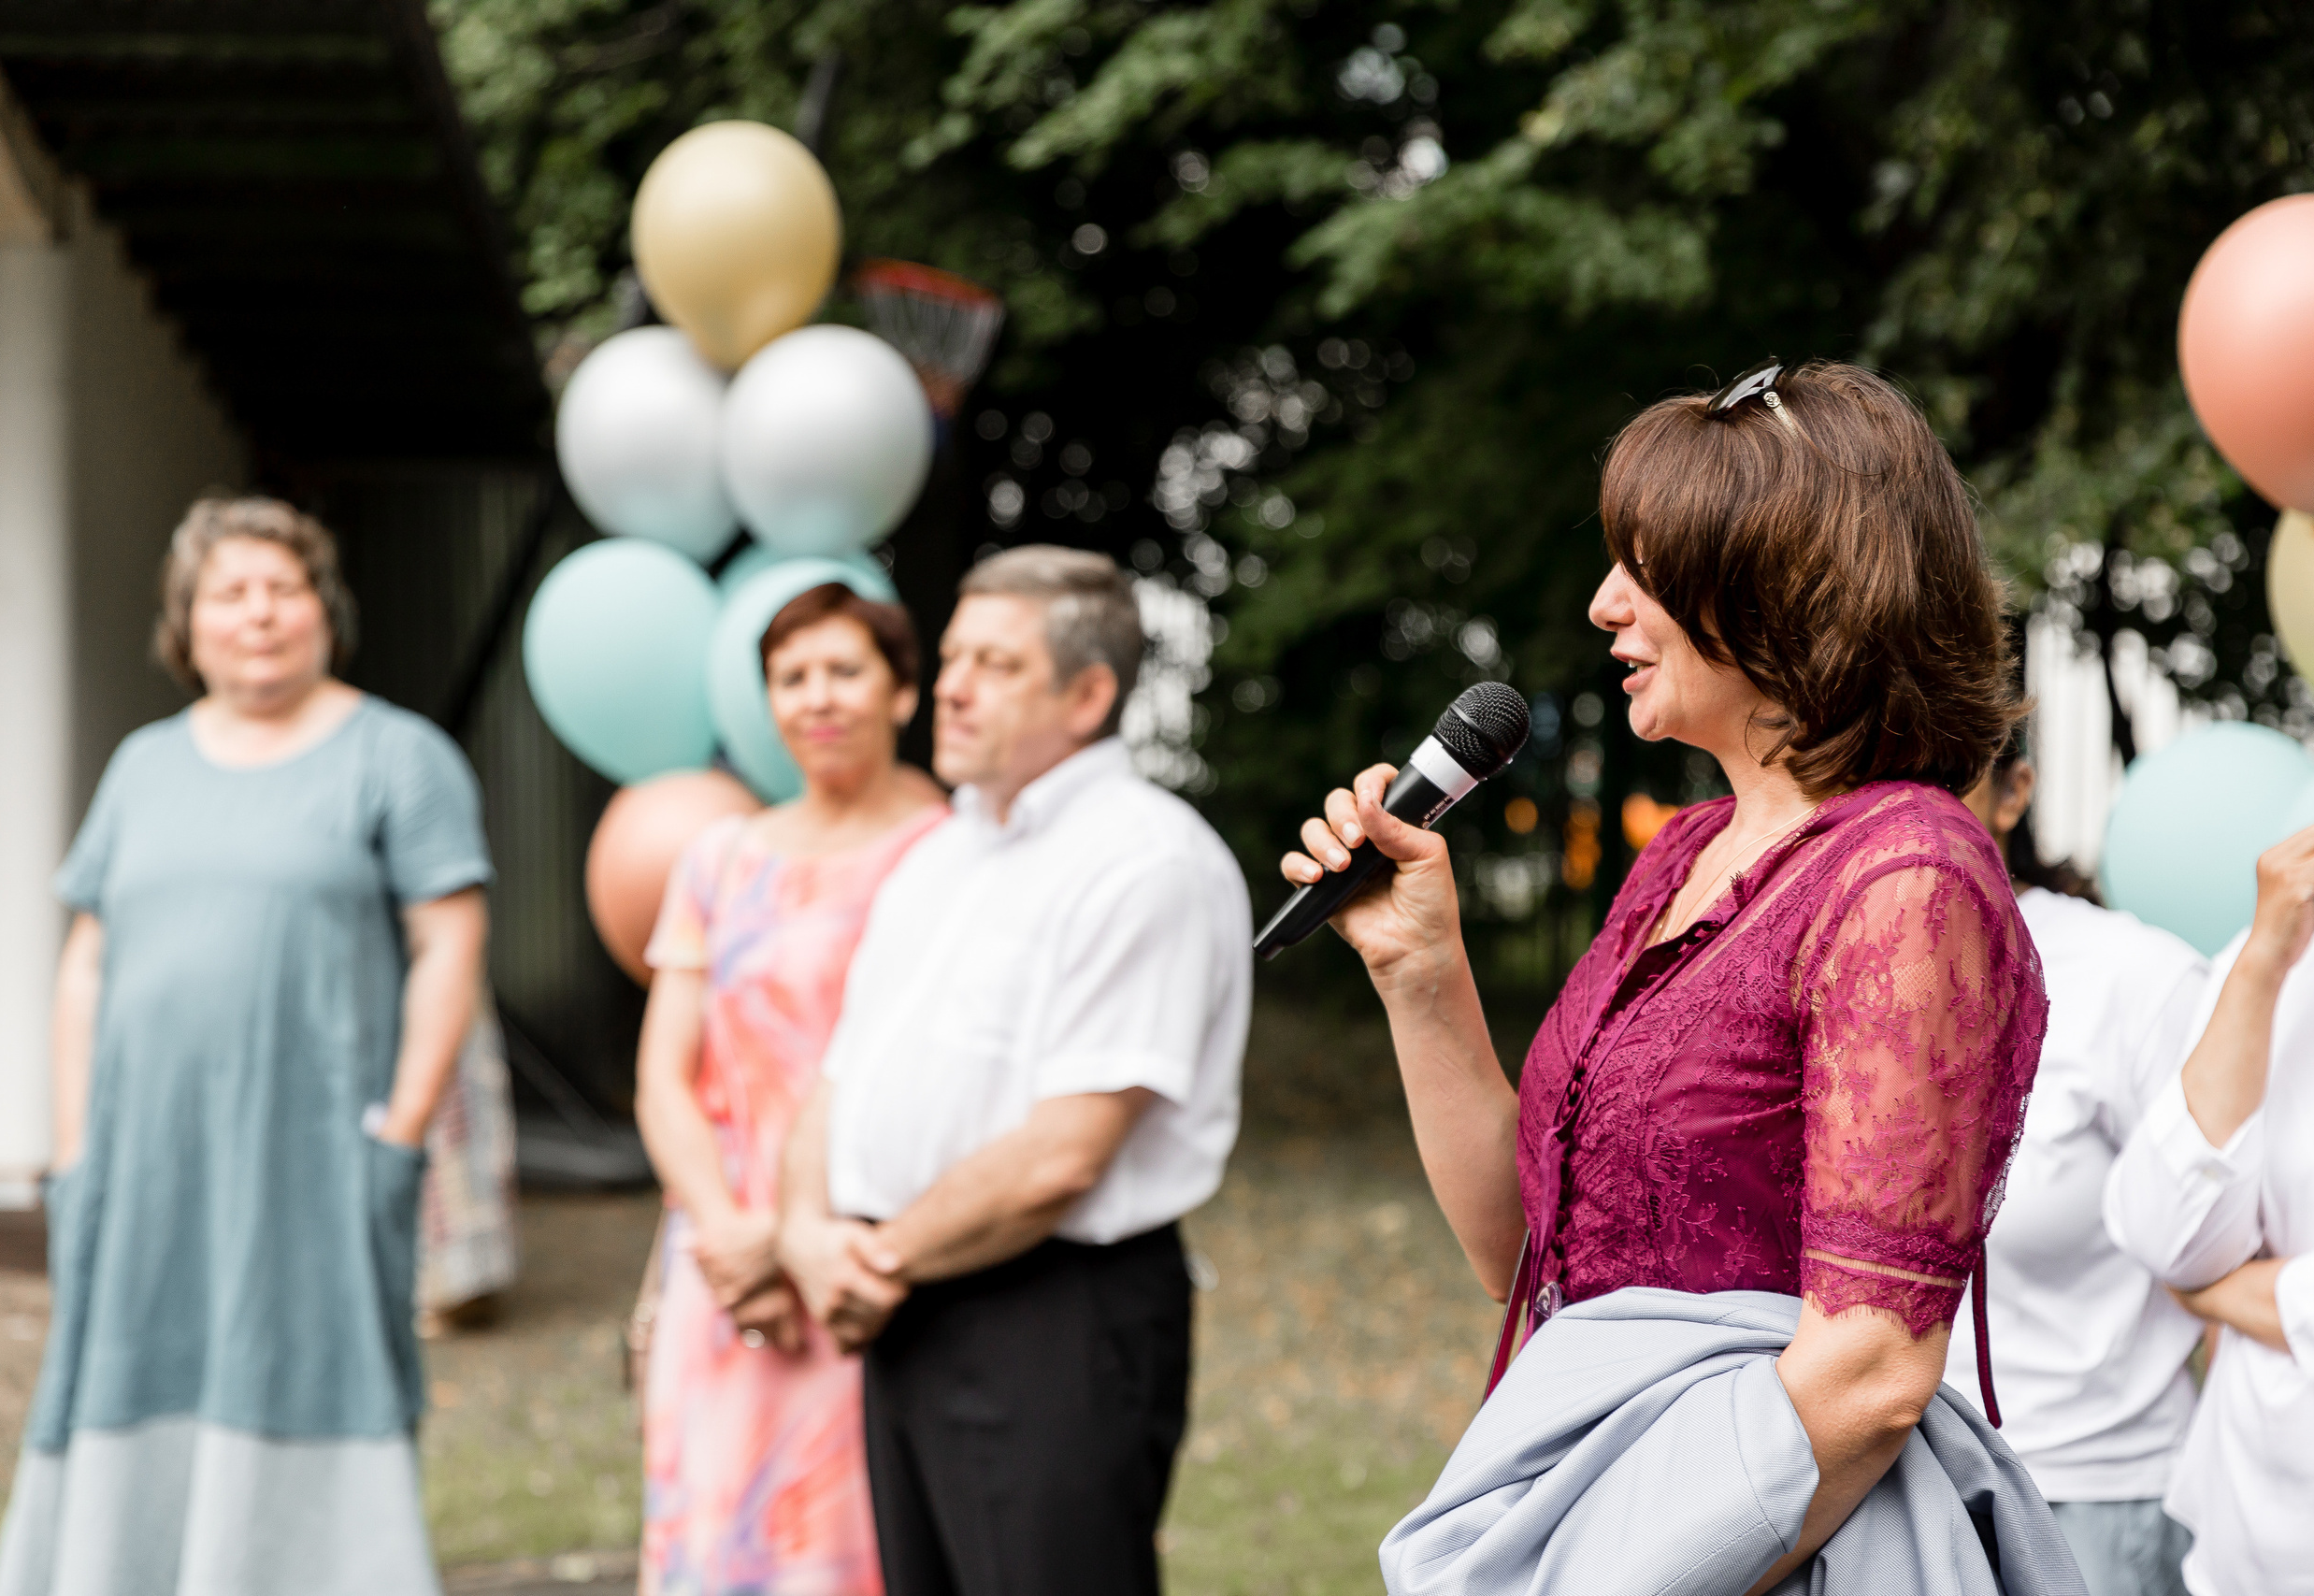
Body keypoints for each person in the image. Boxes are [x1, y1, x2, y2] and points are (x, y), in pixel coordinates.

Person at [1286, 363, 2074, 1593]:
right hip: (1607, 1495)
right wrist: (1421, 966)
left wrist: (1603, 1566)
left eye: (1644, 569)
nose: (1605, 605)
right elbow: (1527, 1252)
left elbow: (1868, 1371)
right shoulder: (1685, 854)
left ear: (1788, 580)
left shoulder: (1906, 877)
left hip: (1761, 1543)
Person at [0, 496, 490, 1596]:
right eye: (231, 592)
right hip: (141, 1163)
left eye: (284, 588)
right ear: (188, 624)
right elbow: (87, 962)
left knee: (307, 1374)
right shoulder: (142, 767)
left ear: (324, 609)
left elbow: (449, 946)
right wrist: (75, 1148)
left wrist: (397, 1131)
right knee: (127, 1377)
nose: (259, 614)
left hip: (313, 1151)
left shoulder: (399, 758)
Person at [775, 546, 1251, 1596]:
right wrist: (806, 1234)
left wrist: (876, 1261)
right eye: (951, 657)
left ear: (1087, 696)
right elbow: (841, 1075)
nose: (947, 686)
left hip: (1051, 1320)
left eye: (991, 662)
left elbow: (1062, 1156)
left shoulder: (1144, 861)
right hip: (901, 1301)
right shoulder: (941, 854)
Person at [634, 582, 946, 1596]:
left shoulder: (950, 854)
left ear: (902, 692)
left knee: (848, 1544)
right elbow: (664, 1076)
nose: (818, 698)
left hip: (864, 1256)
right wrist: (731, 1238)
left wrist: (789, 1235)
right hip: (720, 1268)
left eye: (845, 670)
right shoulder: (720, 859)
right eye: (792, 677)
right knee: (713, 1540)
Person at [1943, 746, 2206, 1596]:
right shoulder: (1824, 971)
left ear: (2016, 789)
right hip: (1884, 1489)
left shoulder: (2135, 978)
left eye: (1937, 775)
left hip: (2093, 1504)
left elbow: (2226, 1240)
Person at [2104, 818, 2314, 1596]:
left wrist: (2235, 1293)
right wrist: (2263, 964)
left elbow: (2196, 1274)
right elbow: (2169, 1235)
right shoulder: (2279, 952)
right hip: (2247, 1547)